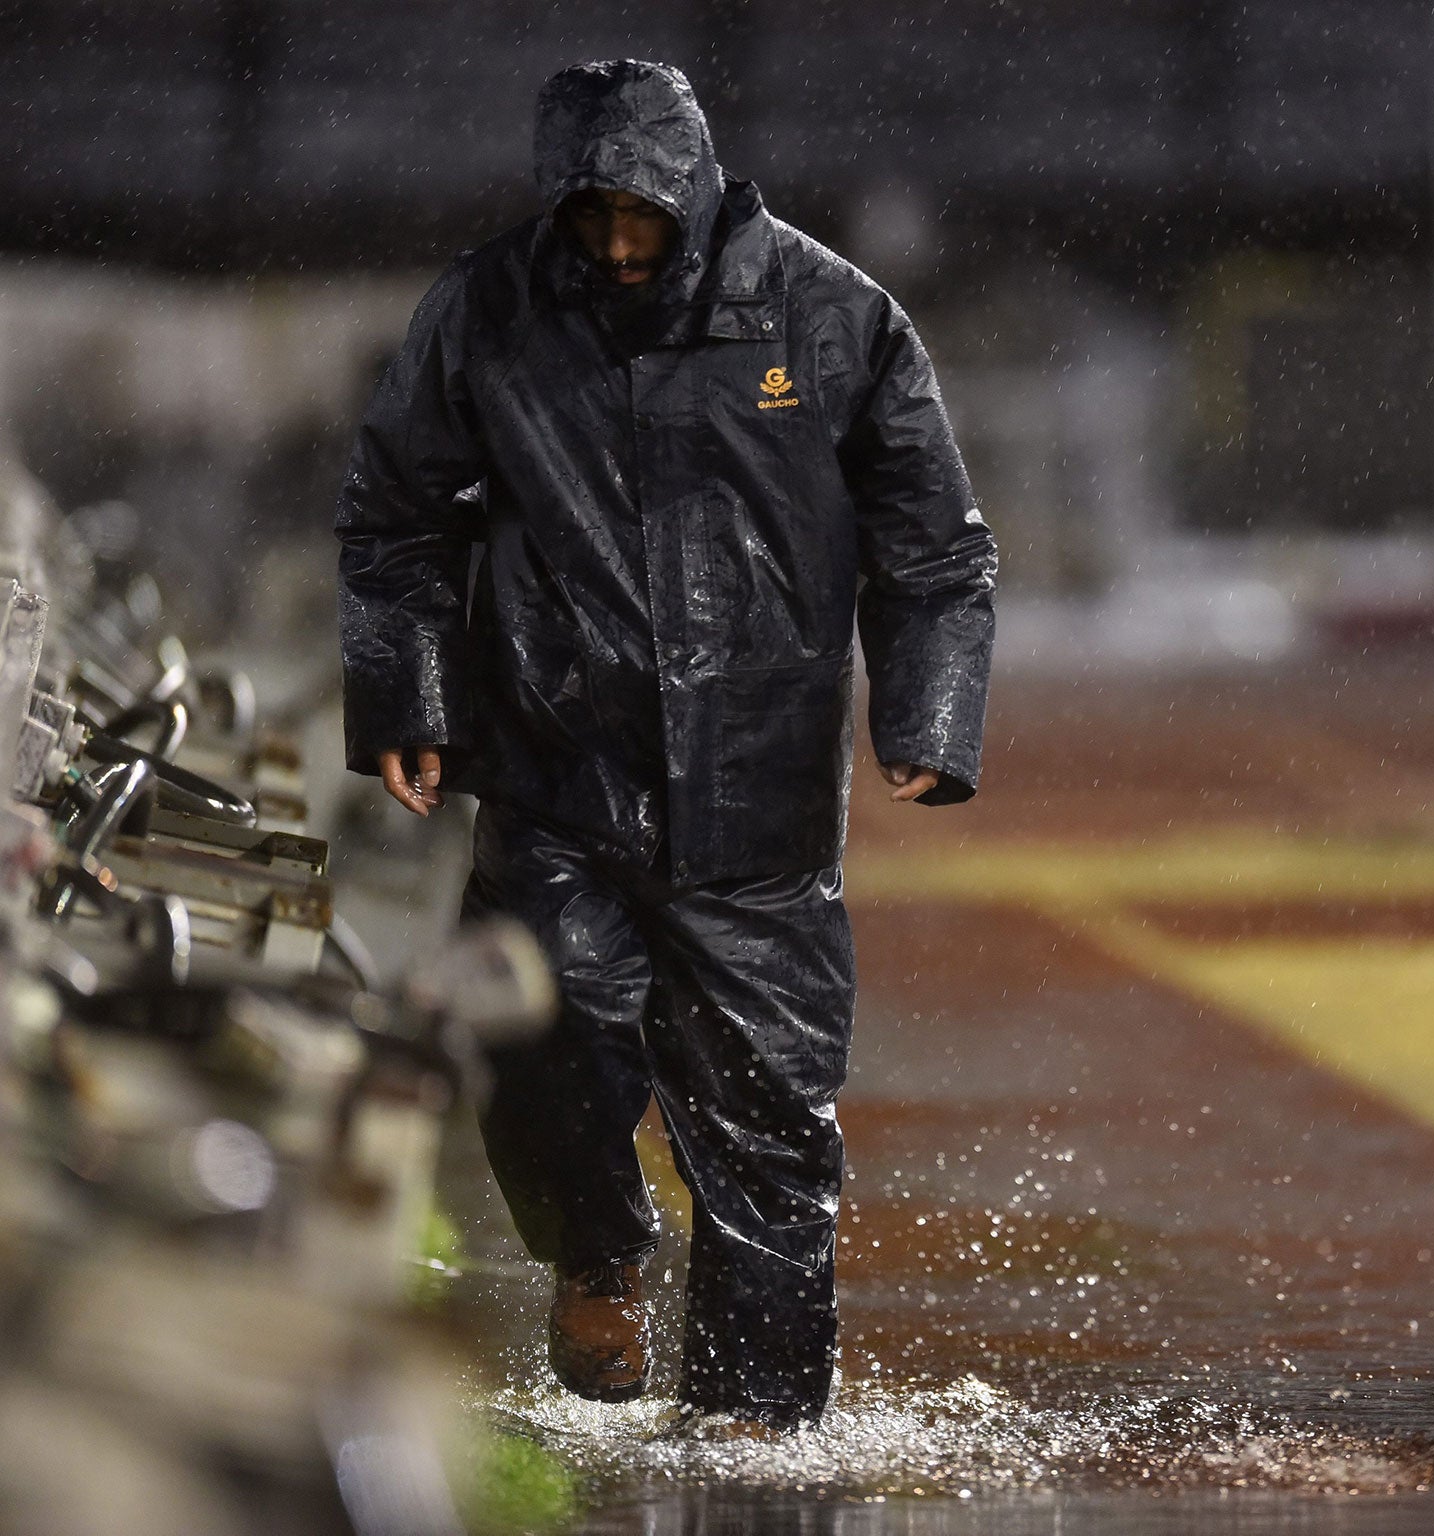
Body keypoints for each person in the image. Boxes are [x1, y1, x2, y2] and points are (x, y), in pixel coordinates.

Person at [334, 58, 996, 1428]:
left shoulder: (832, 316)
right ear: (557, 205)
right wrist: (407, 696)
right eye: (595, 219)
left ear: (697, 197)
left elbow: (935, 546)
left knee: (769, 1122)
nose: (623, 247)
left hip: (761, 801)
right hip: (556, 767)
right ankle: (602, 1250)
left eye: (648, 218)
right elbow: (393, 513)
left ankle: (757, 1416)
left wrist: (926, 711)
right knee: (546, 1035)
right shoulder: (490, 311)